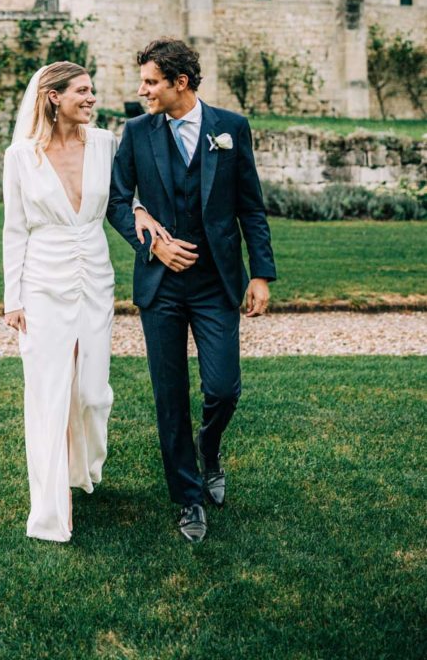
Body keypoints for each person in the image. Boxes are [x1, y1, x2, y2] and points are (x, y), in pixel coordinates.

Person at [107, 38, 276, 544]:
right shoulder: (137, 132)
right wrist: (152, 244)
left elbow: (251, 206)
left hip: (215, 281)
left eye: (151, 82)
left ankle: (211, 445)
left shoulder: (231, 128)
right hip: (160, 287)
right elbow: (118, 201)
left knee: (223, 388)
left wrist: (261, 273)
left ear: (181, 83)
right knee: (169, 396)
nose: (142, 91)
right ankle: (187, 499)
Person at [2, 61, 164, 543]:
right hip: (42, 280)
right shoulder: (20, 156)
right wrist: (14, 299)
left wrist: (138, 211)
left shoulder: (106, 145)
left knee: (93, 393)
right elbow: (14, 229)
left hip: (94, 274)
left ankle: (83, 467)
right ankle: (51, 508)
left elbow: (122, 198)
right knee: (49, 392)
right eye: (83, 91)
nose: (93, 99)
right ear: (54, 97)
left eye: (92, 91)